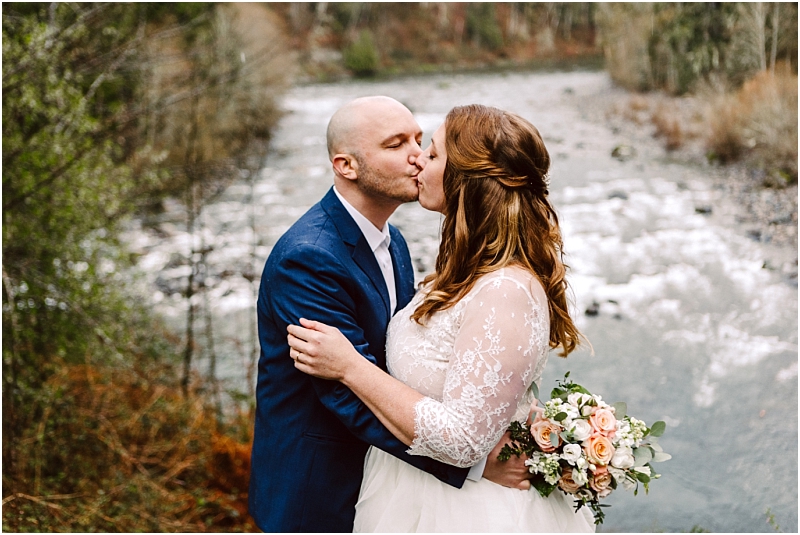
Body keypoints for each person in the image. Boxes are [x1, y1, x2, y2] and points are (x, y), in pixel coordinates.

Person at [287, 104, 596, 532]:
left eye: (428, 151)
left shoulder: (504, 289)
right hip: (400, 490)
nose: (417, 158)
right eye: (402, 145)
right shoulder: (455, 265)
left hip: (468, 512)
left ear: (466, 180)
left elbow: (464, 438)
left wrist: (350, 366)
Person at [248, 97, 530, 533]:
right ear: (347, 166)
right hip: (319, 487)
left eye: (420, 140)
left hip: (389, 481)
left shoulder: (393, 242)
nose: (418, 156)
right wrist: (470, 465)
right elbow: (342, 390)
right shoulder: (307, 257)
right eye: (396, 145)